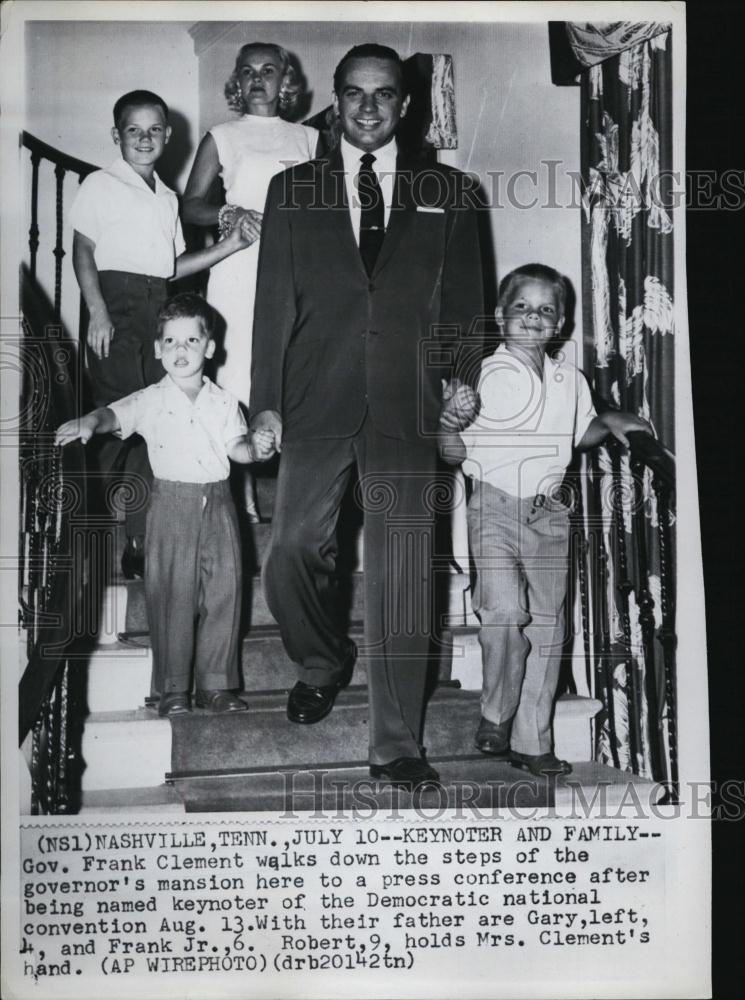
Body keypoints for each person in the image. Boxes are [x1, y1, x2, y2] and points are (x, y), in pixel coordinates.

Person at [249, 44, 484, 791]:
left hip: (408, 402)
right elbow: (271, 309)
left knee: (403, 574)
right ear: (335, 101)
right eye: (354, 94)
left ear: (404, 103)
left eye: (383, 95)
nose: (369, 108)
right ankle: (322, 659)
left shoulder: (453, 192)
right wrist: (264, 402)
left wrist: (458, 387)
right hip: (315, 397)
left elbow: (465, 309)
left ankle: (395, 744)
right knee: (289, 549)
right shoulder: (291, 191)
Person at [439, 263, 653, 777]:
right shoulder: (482, 375)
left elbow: (577, 435)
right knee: (505, 610)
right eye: (522, 307)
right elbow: (452, 453)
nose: (534, 318)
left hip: (550, 512)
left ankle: (532, 741)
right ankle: (495, 712)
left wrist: (607, 420)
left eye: (546, 310)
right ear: (499, 316)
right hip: (493, 504)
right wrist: (448, 419)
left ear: (560, 322)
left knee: (550, 628)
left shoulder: (569, 378)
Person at [56, 293, 275, 717]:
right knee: (172, 597)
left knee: (224, 594)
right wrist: (89, 422)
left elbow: (238, 449)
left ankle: (216, 685)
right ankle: (174, 688)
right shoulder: (150, 399)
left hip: (221, 507)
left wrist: (258, 447)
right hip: (171, 505)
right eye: (171, 342)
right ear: (158, 349)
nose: (181, 350)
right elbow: (112, 416)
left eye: (191, 341)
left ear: (209, 348)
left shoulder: (225, 403)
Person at [69, 89, 259, 578]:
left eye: (154, 129)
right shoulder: (99, 184)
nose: (145, 138)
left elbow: (172, 267)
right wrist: (98, 313)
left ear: (168, 136)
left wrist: (232, 245)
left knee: (157, 416)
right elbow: (84, 252)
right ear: (117, 135)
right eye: (134, 130)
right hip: (116, 306)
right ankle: (79, 530)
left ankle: (138, 538)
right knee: (112, 419)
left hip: (158, 308)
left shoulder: (169, 197)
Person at [183, 42, 318, 519]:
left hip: (294, 268)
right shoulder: (223, 134)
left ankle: (295, 495)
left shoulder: (309, 139)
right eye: (247, 71)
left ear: (286, 82)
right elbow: (191, 203)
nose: (257, 78)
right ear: (237, 84)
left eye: (268, 70)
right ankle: (237, 495)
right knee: (236, 374)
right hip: (239, 266)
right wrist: (228, 210)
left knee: (290, 371)